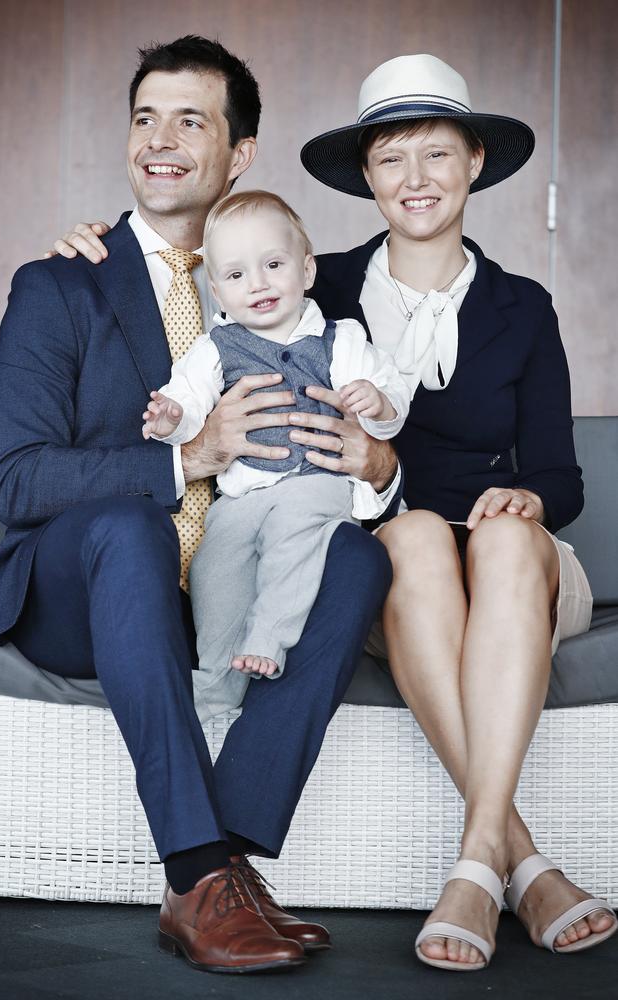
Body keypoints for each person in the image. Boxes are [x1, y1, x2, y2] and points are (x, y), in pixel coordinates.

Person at [0, 36, 397, 975]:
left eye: (190, 119)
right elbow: (15, 481)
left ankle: (227, 861)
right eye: (143, 118)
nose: (158, 139)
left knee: (360, 557)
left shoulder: (283, 282)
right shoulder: (60, 281)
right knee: (129, 522)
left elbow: (368, 420)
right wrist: (190, 455)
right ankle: (198, 871)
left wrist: (379, 458)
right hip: (82, 585)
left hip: (229, 579)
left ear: (240, 153)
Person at [299, 53, 616, 970]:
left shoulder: (525, 307)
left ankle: (477, 861)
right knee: (414, 533)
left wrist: (530, 498)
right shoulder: (315, 293)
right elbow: (211, 299)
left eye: (436, 154)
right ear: (366, 176)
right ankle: (517, 861)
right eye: (392, 158)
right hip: (394, 571)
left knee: (509, 534)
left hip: (514, 571)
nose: (416, 180)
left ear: (475, 162)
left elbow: (563, 478)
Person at [142, 189, 409, 718]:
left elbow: (392, 399)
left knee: (295, 538)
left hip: (317, 480)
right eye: (237, 276)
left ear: (306, 269)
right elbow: (190, 404)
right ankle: (217, 675)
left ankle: (270, 636)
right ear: (217, 291)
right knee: (214, 567)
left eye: (272, 264)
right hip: (241, 493)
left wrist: (376, 403)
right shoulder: (215, 348)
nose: (258, 284)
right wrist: (172, 419)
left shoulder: (342, 339)